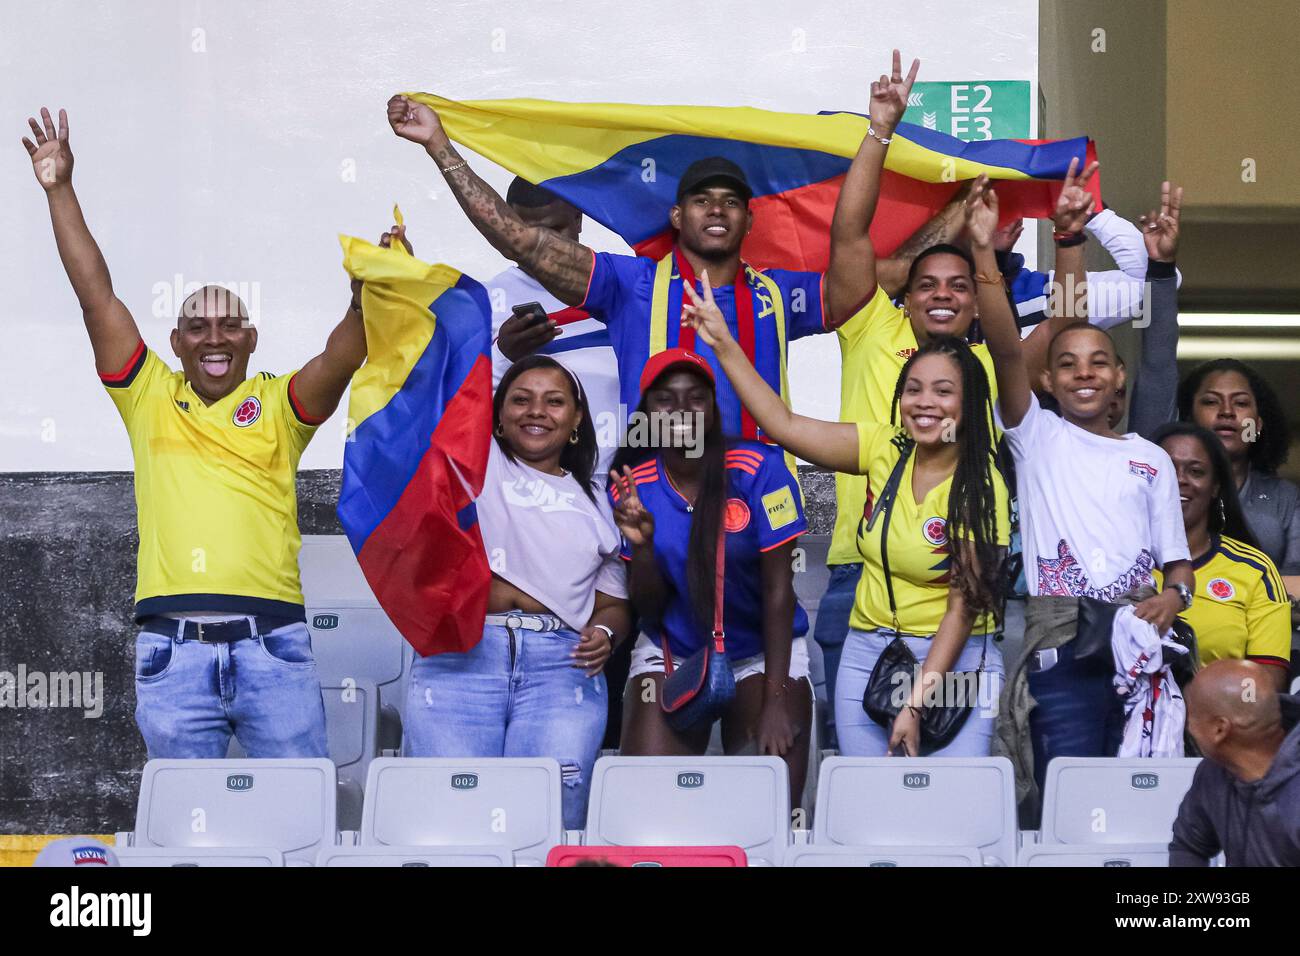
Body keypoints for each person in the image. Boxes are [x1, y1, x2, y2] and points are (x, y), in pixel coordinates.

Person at [23, 107, 384, 758]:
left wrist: (367, 298)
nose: (213, 336)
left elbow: (341, 358)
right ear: (176, 342)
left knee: (298, 818)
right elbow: (95, 296)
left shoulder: (277, 403)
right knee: (188, 835)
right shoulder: (149, 396)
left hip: (274, 645)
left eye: (228, 324)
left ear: (251, 339)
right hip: (173, 649)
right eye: (197, 325)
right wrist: (60, 190)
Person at [386, 62, 937, 448]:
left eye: (730, 202)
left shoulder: (777, 294)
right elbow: (521, 240)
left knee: (772, 620)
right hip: (652, 510)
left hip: (758, 512)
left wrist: (878, 136)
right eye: (700, 200)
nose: (716, 211)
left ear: (750, 218)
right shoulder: (630, 285)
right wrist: (441, 147)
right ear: (678, 217)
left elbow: (850, 242)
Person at [813, 50, 1095, 744]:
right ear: (901, 297)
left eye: (960, 284)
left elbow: (1062, 320)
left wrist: (1067, 236)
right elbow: (848, 235)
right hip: (861, 577)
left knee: (951, 777)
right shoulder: (869, 329)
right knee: (860, 772)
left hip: (961, 591)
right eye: (927, 284)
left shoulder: (987, 369)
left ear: (979, 300)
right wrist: (879, 130)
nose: (942, 292)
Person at [682, 257, 1010, 757]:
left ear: (968, 404)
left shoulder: (982, 481)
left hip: (956, 664)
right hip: (868, 649)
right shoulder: (886, 446)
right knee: (864, 808)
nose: (925, 403)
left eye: (944, 392)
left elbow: (962, 609)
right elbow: (784, 425)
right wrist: (723, 343)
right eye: (914, 390)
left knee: (947, 811)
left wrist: (915, 705)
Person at [978, 177, 1194, 808]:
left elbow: (1177, 565)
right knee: (1065, 801)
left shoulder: (1150, 459)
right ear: (1047, 377)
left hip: (1140, 641)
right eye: (1067, 364)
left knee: (1143, 802)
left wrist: (1173, 599)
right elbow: (1027, 340)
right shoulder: (1034, 435)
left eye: (1099, 361)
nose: (1084, 373)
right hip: (1060, 641)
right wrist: (1061, 236)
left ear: (1119, 376)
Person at [403, 354, 631, 830]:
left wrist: (607, 632)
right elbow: (436, 397)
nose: (536, 412)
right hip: (461, 656)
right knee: (451, 822)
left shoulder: (598, 501)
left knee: (547, 820)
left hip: (561, 668)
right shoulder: (470, 466)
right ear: (499, 415)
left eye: (554, 402)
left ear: (576, 419)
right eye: (520, 400)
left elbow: (613, 603)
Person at [608, 350, 811, 807]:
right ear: (647, 414)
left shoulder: (761, 469)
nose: (681, 410)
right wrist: (641, 546)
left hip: (761, 653)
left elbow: (780, 592)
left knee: (768, 806)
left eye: (695, 398)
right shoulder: (633, 487)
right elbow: (650, 607)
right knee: (647, 809)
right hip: (674, 650)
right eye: (665, 400)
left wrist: (775, 699)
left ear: (714, 408)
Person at [485, 178, 621, 478]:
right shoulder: (486, 301)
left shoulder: (618, 285)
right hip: (534, 489)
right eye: (527, 232)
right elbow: (459, 406)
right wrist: (503, 354)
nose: (542, 247)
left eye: (555, 230)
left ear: (579, 219)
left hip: (626, 487)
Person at [1153, 423, 1291, 688]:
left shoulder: (1254, 570)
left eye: (1195, 471)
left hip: (1213, 723)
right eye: (1166, 469)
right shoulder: (1117, 558)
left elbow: (1263, 686)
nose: (1179, 479)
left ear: (1216, 486)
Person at [1170, 659, 1300, 866]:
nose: (1187, 727)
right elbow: (1188, 845)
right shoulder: (1213, 772)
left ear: (1219, 729)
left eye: (1191, 715)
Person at [1178, 359, 1300, 577]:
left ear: (1258, 426)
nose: (1227, 411)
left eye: (1241, 403)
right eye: (1211, 402)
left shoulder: (1287, 499)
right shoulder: (1168, 490)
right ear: (1188, 418)